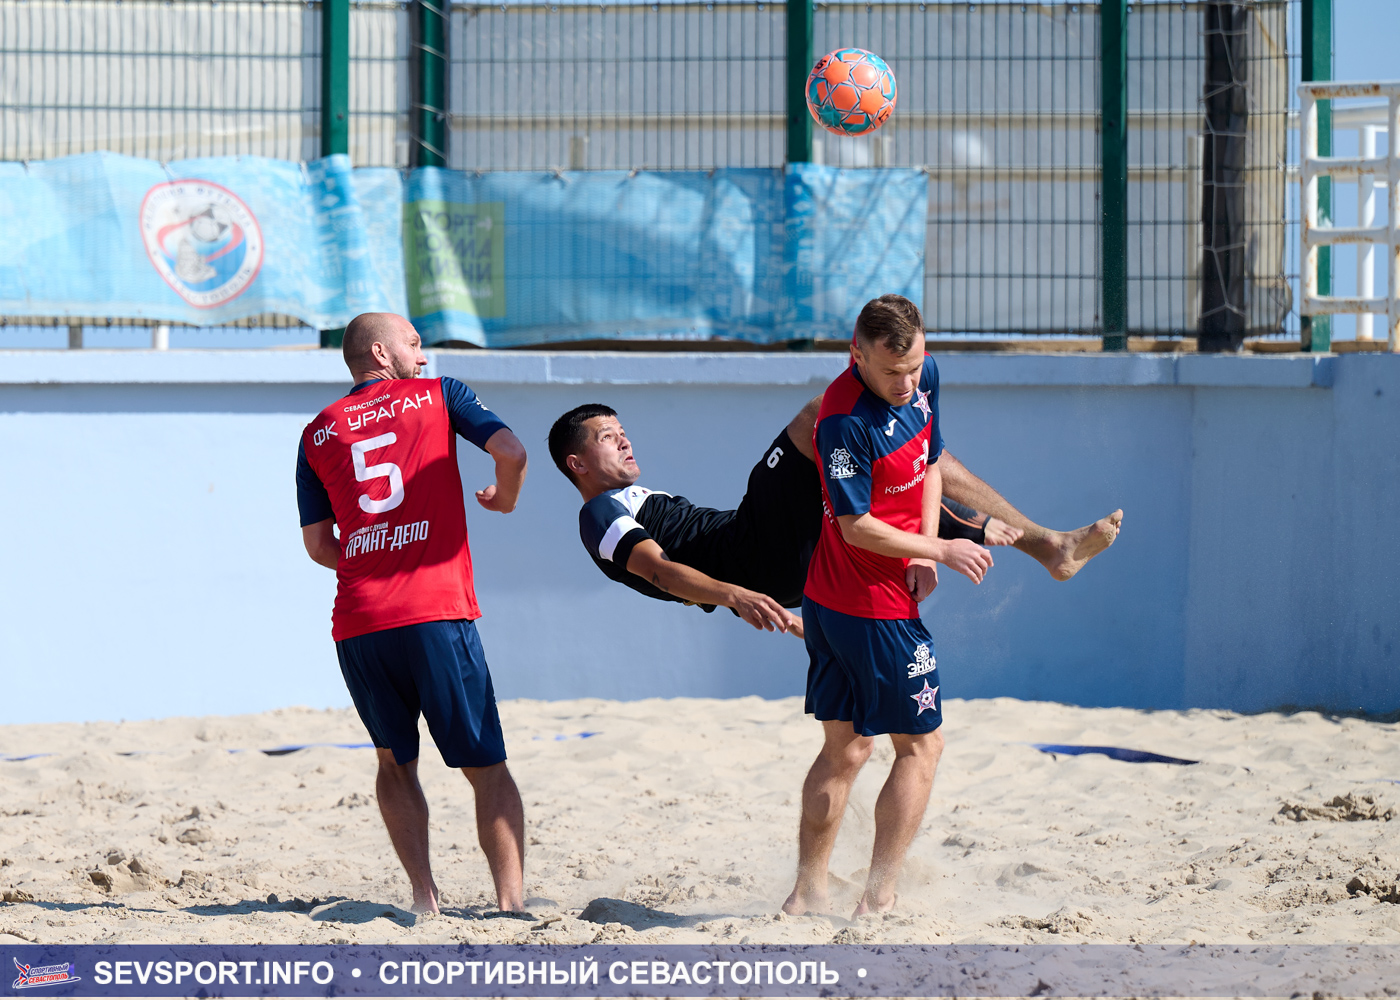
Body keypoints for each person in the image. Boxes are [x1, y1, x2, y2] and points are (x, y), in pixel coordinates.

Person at [547, 388, 1120, 636]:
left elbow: (684, 576)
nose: (624, 440)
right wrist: (737, 595)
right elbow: (659, 572)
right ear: (577, 463)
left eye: (622, 430)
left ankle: (1047, 545)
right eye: (607, 437)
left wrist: (782, 613)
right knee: (825, 412)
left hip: (774, 565)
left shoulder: (629, 500)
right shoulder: (598, 515)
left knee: (883, 474)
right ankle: (1030, 541)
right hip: (753, 549)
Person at [295, 312, 529, 915]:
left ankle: (425, 900)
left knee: (394, 764)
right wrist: (505, 498)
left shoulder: (317, 432)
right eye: (415, 344)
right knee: (486, 766)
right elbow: (511, 451)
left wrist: (372, 558)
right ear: (381, 352)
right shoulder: (439, 394)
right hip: (436, 613)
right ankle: (510, 905)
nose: (423, 357)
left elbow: (319, 546)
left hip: (360, 621)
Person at [784, 293, 981, 919]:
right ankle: (879, 899)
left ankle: (806, 895)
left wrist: (924, 553)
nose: (907, 382)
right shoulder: (843, 420)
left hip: (845, 599)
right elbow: (856, 527)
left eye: (915, 366)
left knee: (846, 751)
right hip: (867, 609)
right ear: (857, 355)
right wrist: (942, 548)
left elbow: (929, 464)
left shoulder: (924, 377)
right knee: (922, 747)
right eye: (893, 371)